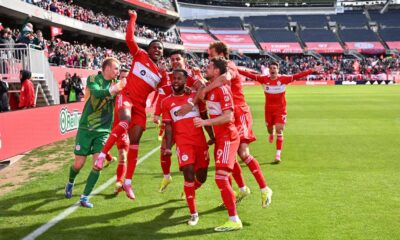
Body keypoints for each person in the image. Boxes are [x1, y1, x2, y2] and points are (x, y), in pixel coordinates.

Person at [94, 10, 167, 200]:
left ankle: (128, 182)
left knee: (134, 145)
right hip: (126, 97)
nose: (157, 50)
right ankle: (102, 156)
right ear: (149, 49)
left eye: (160, 48)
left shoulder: (162, 74)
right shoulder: (139, 55)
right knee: (124, 121)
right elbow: (129, 37)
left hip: (141, 107)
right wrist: (133, 18)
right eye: (154, 47)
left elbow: (166, 93)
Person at [199, 41, 272, 207]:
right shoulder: (216, 71)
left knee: (243, 152)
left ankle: (264, 188)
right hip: (229, 116)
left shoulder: (229, 65)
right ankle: (242, 188)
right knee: (230, 154)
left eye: (211, 55)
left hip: (239, 113)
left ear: (221, 54)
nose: (208, 58)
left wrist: (205, 89)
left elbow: (226, 77)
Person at [64, 58, 124, 208]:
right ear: (108, 68)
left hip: (103, 131)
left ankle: (84, 197)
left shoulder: (116, 84)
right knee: (79, 164)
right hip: (86, 128)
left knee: (98, 164)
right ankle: (71, 181)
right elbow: (96, 93)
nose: (118, 72)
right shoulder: (93, 78)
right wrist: (114, 89)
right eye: (116, 68)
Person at [238, 61, 322, 163]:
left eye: (274, 68)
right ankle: (271, 133)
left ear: (278, 70)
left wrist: (312, 70)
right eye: (271, 68)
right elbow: (249, 75)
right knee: (269, 129)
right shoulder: (263, 79)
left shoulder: (283, 79)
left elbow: (298, 75)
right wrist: (234, 69)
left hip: (280, 109)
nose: (273, 70)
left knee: (279, 129)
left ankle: (278, 155)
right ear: (269, 70)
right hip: (268, 109)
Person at [193, 57, 242, 232]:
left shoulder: (222, 90)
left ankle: (234, 219)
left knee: (220, 177)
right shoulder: (211, 88)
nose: (207, 68)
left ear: (217, 71)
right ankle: (236, 197)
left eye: (210, 66)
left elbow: (229, 117)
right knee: (225, 176)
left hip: (228, 137)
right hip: (221, 139)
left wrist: (205, 123)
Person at [162, 69, 214, 226]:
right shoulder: (166, 102)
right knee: (188, 174)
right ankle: (193, 213)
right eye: (173, 79)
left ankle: (189, 191)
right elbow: (169, 126)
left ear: (186, 81)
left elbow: (204, 117)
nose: (175, 81)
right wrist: (169, 146)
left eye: (179, 79)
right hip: (183, 143)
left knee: (202, 177)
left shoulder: (195, 97)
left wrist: (212, 136)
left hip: (199, 141)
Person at [154, 49, 205, 193]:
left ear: (184, 61)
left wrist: (193, 95)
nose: (175, 61)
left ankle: (190, 187)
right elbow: (161, 95)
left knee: (193, 165)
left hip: (189, 124)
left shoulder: (191, 77)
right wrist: (157, 114)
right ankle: (166, 176)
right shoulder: (168, 77)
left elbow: (202, 89)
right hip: (172, 122)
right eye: (173, 59)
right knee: (164, 149)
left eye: (178, 58)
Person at [94, 67, 130, 194]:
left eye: (127, 77)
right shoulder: (114, 89)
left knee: (123, 156)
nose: (124, 80)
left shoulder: (132, 91)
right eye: (122, 77)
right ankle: (108, 158)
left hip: (121, 129)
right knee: (97, 147)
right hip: (106, 125)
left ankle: (119, 182)